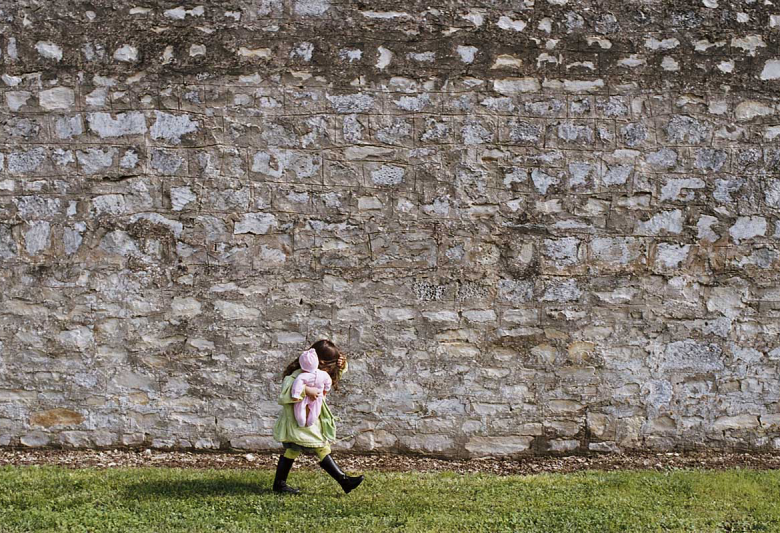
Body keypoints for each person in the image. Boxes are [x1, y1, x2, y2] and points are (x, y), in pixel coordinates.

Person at [272, 339, 364, 495]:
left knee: (293, 451)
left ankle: (279, 484)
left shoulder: (319, 375)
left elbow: (330, 379)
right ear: (320, 362)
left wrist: (341, 366)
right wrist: (306, 391)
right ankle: (344, 481)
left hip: (309, 421)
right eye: (328, 366)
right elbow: (284, 395)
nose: (329, 371)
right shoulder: (296, 376)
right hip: (298, 422)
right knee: (322, 447)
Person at [291, 348, 332, 428]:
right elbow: (328, 382)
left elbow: (297, 386)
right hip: (318, 396)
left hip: (304, 397)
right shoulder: (323, 374)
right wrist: (325, 390)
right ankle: (310, 422)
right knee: (315, 410)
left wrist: (295, 395)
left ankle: (301, 422)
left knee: (299, 409)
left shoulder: (301, 376)